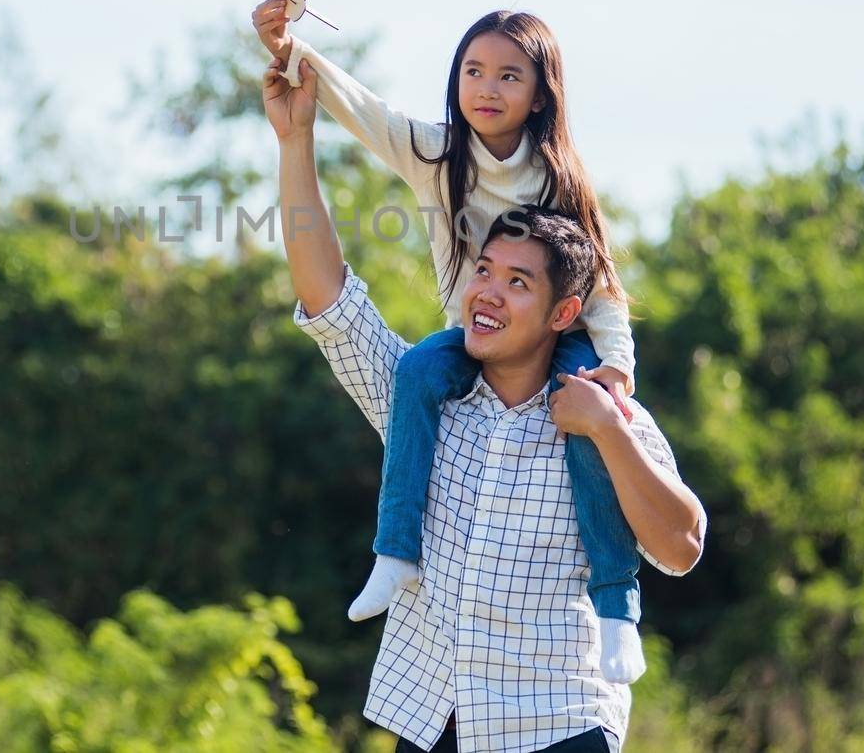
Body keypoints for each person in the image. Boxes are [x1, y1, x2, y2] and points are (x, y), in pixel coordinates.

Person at [261, 56, 705, 752]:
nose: (488, 293)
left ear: (564, 314)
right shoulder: (422, 398)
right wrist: (295, 142)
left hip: (559, 727)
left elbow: (680, 546)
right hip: (431, 720)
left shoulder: (602, 411)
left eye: (518, 283)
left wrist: (606, 432)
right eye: (484, 273)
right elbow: (330, 299)